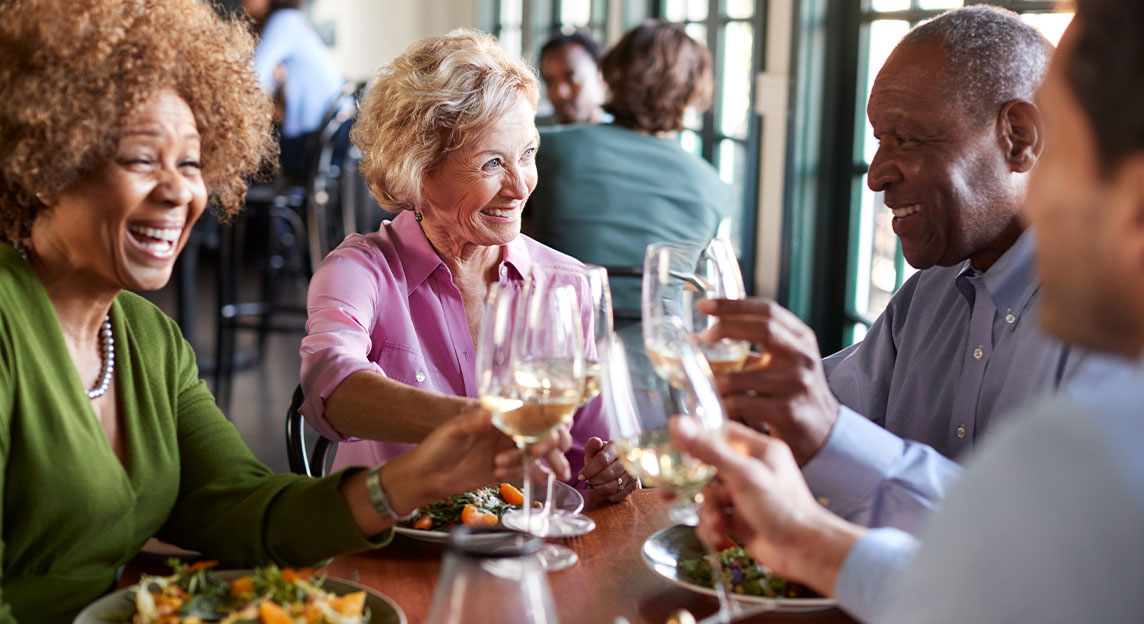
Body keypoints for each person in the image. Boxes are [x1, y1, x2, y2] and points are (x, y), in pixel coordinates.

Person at [0, 2, 566, 622]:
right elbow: (333, 382)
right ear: (42, 162)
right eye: (140, 159)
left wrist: (410, 483)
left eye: (192, 163)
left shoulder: (145, 338)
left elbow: (238, 505)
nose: (178, 191)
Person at [671, 0, 1144, 621]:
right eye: (879, 141)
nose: (874, 176)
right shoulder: (927, 297)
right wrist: (761, 411)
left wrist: (823, 439)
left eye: (909, 139)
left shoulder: (1111, 362)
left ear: (1021, 139)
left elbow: (1015, 565)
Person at [299, 29, 636, 503]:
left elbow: (591, 456)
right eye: (493, 163)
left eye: (528, 154)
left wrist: (614, 470)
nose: (520, 186)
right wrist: (483, 424)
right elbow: (329, 386)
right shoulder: (361, 271)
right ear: (416, 169)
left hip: (530, 549)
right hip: (397, 550)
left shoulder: (566, 284)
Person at [529, 19, 733, 315]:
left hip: (560, 338)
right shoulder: (714, 187)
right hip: (661, 351)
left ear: (610, 74)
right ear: (692, 93)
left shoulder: (544, 150)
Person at [243, 0, 345, 179]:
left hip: (314, 142)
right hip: (331, 136)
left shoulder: (284, 20)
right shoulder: (295, 21)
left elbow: (251, 78)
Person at [537, 29, 606, 126]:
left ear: (601, 74)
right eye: (550, 82)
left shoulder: (624, 134)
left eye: (571, 78)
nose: (560, 93)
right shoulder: (533, 134)